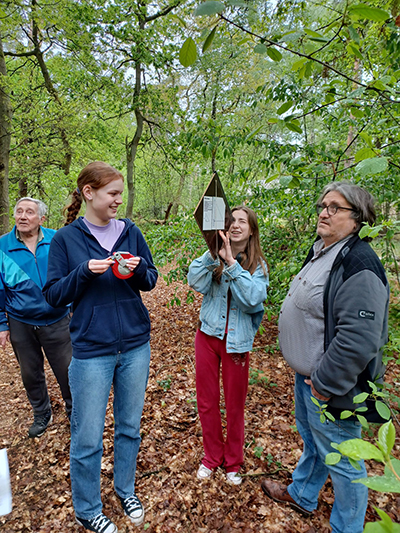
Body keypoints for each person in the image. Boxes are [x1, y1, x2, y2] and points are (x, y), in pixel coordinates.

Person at [261, 182, 390, 533]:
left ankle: (347, 527)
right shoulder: (325, 251)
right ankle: (303, 493)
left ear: (357, 218)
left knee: (346, 460)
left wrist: (324, 384)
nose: (324, 212)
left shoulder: (360, 263)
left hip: (332, 386)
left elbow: (358, 338)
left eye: (335, 208)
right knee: (315, 442)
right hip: (308, 379)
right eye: (323, 205)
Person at [43, 162, 158, 533]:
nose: (118, 200)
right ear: (89, 193)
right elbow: (53, 295)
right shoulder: (66, 239)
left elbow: (151, 280)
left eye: (120, 193)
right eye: (112, 193)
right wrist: (84, 272)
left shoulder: (131, 232)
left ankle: (125, 490)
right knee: (88, 435)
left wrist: (138, 269)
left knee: (129, 427)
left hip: (136, 347)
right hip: (92, 350)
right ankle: (88, 508)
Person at [188, 206, 269, 485]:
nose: (235, 225)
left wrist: (233, 265)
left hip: (237, 343)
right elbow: (194, 281)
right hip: (207, 337)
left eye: (242, 221)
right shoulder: (214, 256)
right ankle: (212, 457)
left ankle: (233, 461)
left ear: (251, 229)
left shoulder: (258, 267)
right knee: (207, 402)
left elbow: (252, 299)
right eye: (231, 220)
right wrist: (215, 255)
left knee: (234, 405)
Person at [0, 197, 72, 438]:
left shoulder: (58, 239)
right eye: (19, 211)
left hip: (58, 317)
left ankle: (75, 411)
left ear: (41, 218)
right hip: (21, 321)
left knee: (67, 370)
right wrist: (2, 323)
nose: (22, 216)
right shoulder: (2, 246)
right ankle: (42, 412)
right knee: (30, 373)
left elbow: (70, 274)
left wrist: (72, 305)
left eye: (29, 212)